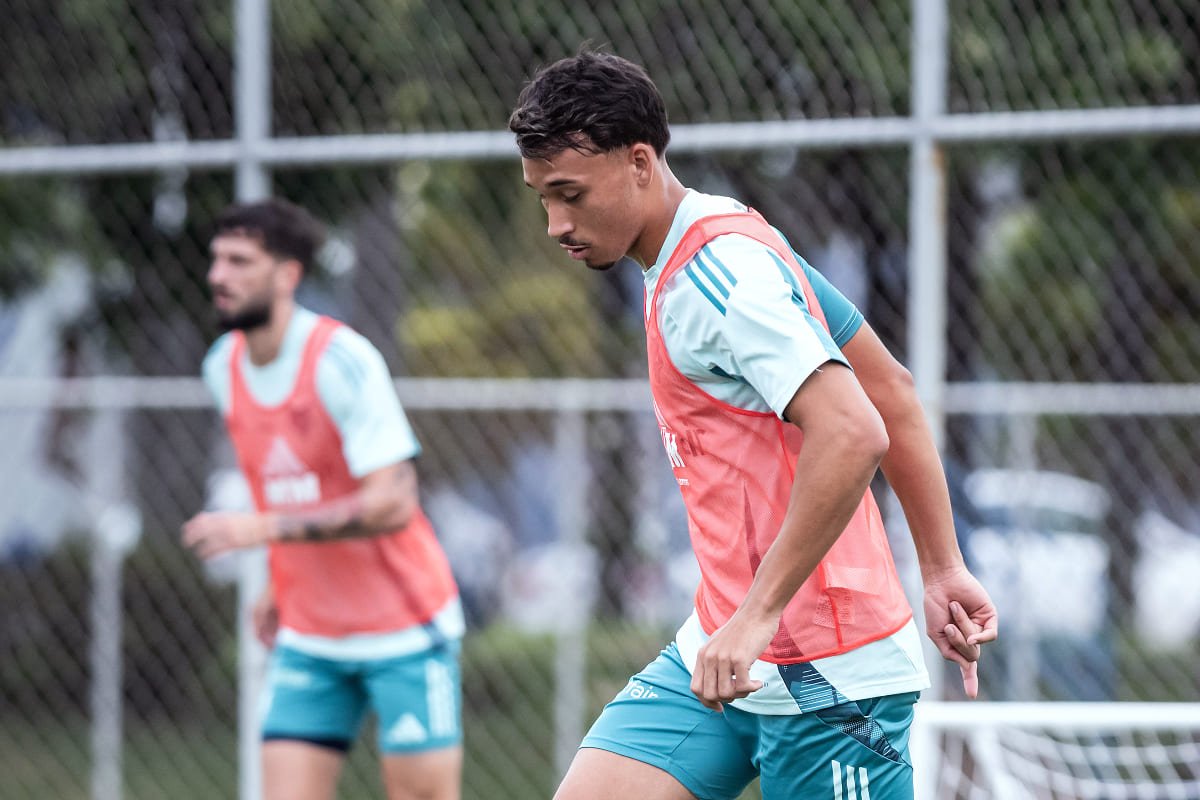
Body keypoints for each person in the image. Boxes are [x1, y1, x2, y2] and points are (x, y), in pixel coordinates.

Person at [510, 50, 999, 800]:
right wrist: (940, 568)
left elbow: (856, 429)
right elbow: (891, 389)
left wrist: (757, 616)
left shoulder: (722, 278)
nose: (555, 224)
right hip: (724, 649)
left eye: (570, 194)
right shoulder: (713, 236)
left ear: (640, 162)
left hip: (830, 676)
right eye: (543, 198)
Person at [182, 198, 463, 800]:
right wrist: (280, 584)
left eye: (238, 261)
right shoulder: (221, 367)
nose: (217, 277)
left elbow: (392, 503)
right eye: (215, 261)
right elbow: (290, 482)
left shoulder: (341, 360)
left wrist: (263, 532)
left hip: (404, 628)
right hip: (311, 633)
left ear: (287, 275)